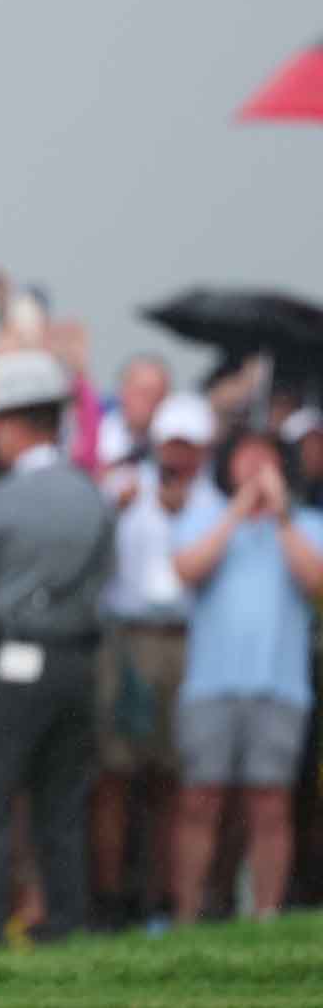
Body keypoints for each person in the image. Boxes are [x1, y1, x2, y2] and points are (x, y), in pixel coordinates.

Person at [0, 350, 115, 947]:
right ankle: (63, 928)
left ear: (11, 424)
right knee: (60, 805)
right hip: (78, 663)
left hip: (11, 663)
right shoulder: (92, 495)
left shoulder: (2, 500)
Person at [168, 427, 323, 923]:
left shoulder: (307, 523)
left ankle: (265, 916)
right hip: (210, 685)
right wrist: (235, 513)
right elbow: (189, 569)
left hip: (280, 686)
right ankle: (188, 916)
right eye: (247, 455)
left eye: (267, 456)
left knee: (270, 803)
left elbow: (316, 583)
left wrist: (279, 516)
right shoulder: (204, 515)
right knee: (200, 799)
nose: (256, 465)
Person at [89, 393, 217, 928]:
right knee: (115, 774)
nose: (177, 457)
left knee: (171, 778)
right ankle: (110, 896)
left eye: (188, 447)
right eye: (170, 445)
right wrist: (111, 510)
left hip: (189, 641)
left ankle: (162, 898)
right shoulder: (123, 488)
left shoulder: (217, 499)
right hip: (126, 639)